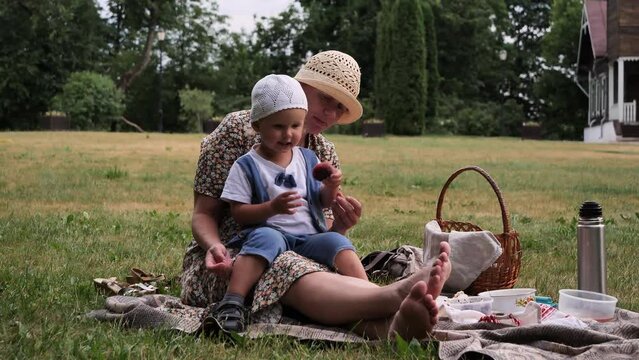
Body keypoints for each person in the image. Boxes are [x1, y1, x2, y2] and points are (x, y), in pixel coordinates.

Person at [180, 50, 449, 340]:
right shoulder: (237, 130)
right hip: (236, 259)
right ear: (300, 87)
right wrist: (214, 247)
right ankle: (391, 296)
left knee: (316, 266)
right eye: (325, 99)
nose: (331, 114)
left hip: (301, 255)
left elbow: (314, 230)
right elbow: (204, 214)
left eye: (339, 108)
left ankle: (391, 328)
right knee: (288, 267)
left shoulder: (321, 152)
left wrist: (342, 226)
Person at [212, 74, 367, 332]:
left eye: (296, 126)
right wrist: (271, 208)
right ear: (257, 125)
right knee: (265, 240)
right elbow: (239, 213)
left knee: (338, 242)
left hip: (308, 236)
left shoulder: (307, 158)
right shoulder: (247, 166)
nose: (288, 134)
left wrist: (331, 187)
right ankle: (233, 301)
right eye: (279, 127)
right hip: (270, 232)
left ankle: (368, 292)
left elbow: (321, 201)